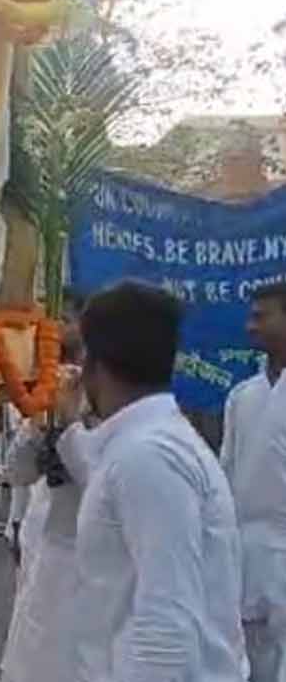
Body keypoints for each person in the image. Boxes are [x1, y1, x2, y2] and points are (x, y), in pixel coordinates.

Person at [58, 280, 245, 681]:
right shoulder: (141, 444)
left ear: (94, 360)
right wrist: (68, 425)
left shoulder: (149, 455)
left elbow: (166, 619)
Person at [0, 323, 90, 682]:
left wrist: (72, 425)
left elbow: (100, 481)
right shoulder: (50, 407)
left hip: (92, 568)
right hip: (45, 550)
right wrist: (40, 424)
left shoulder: (122, 426)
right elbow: (17, 471)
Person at [221, 282, 286, 681]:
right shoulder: (242, 396)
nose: (250, 327)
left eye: (261, 317)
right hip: (244, 553)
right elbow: (226, 476)